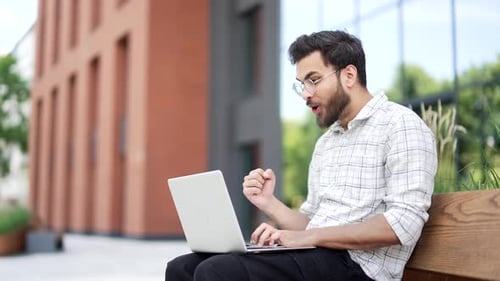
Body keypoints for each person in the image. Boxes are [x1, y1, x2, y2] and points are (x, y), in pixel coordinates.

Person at [165, 30, 437, 281]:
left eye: (314, 80)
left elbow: (402, 225)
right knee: (181, 268)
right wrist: (268, 203)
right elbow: (312, 220)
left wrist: (307, 238)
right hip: (318, 257)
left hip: (360, 268)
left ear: (349, 76)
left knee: (218, 272)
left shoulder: (401, 124)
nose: (305, 94)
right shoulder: (328, 142)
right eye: (301, 84)